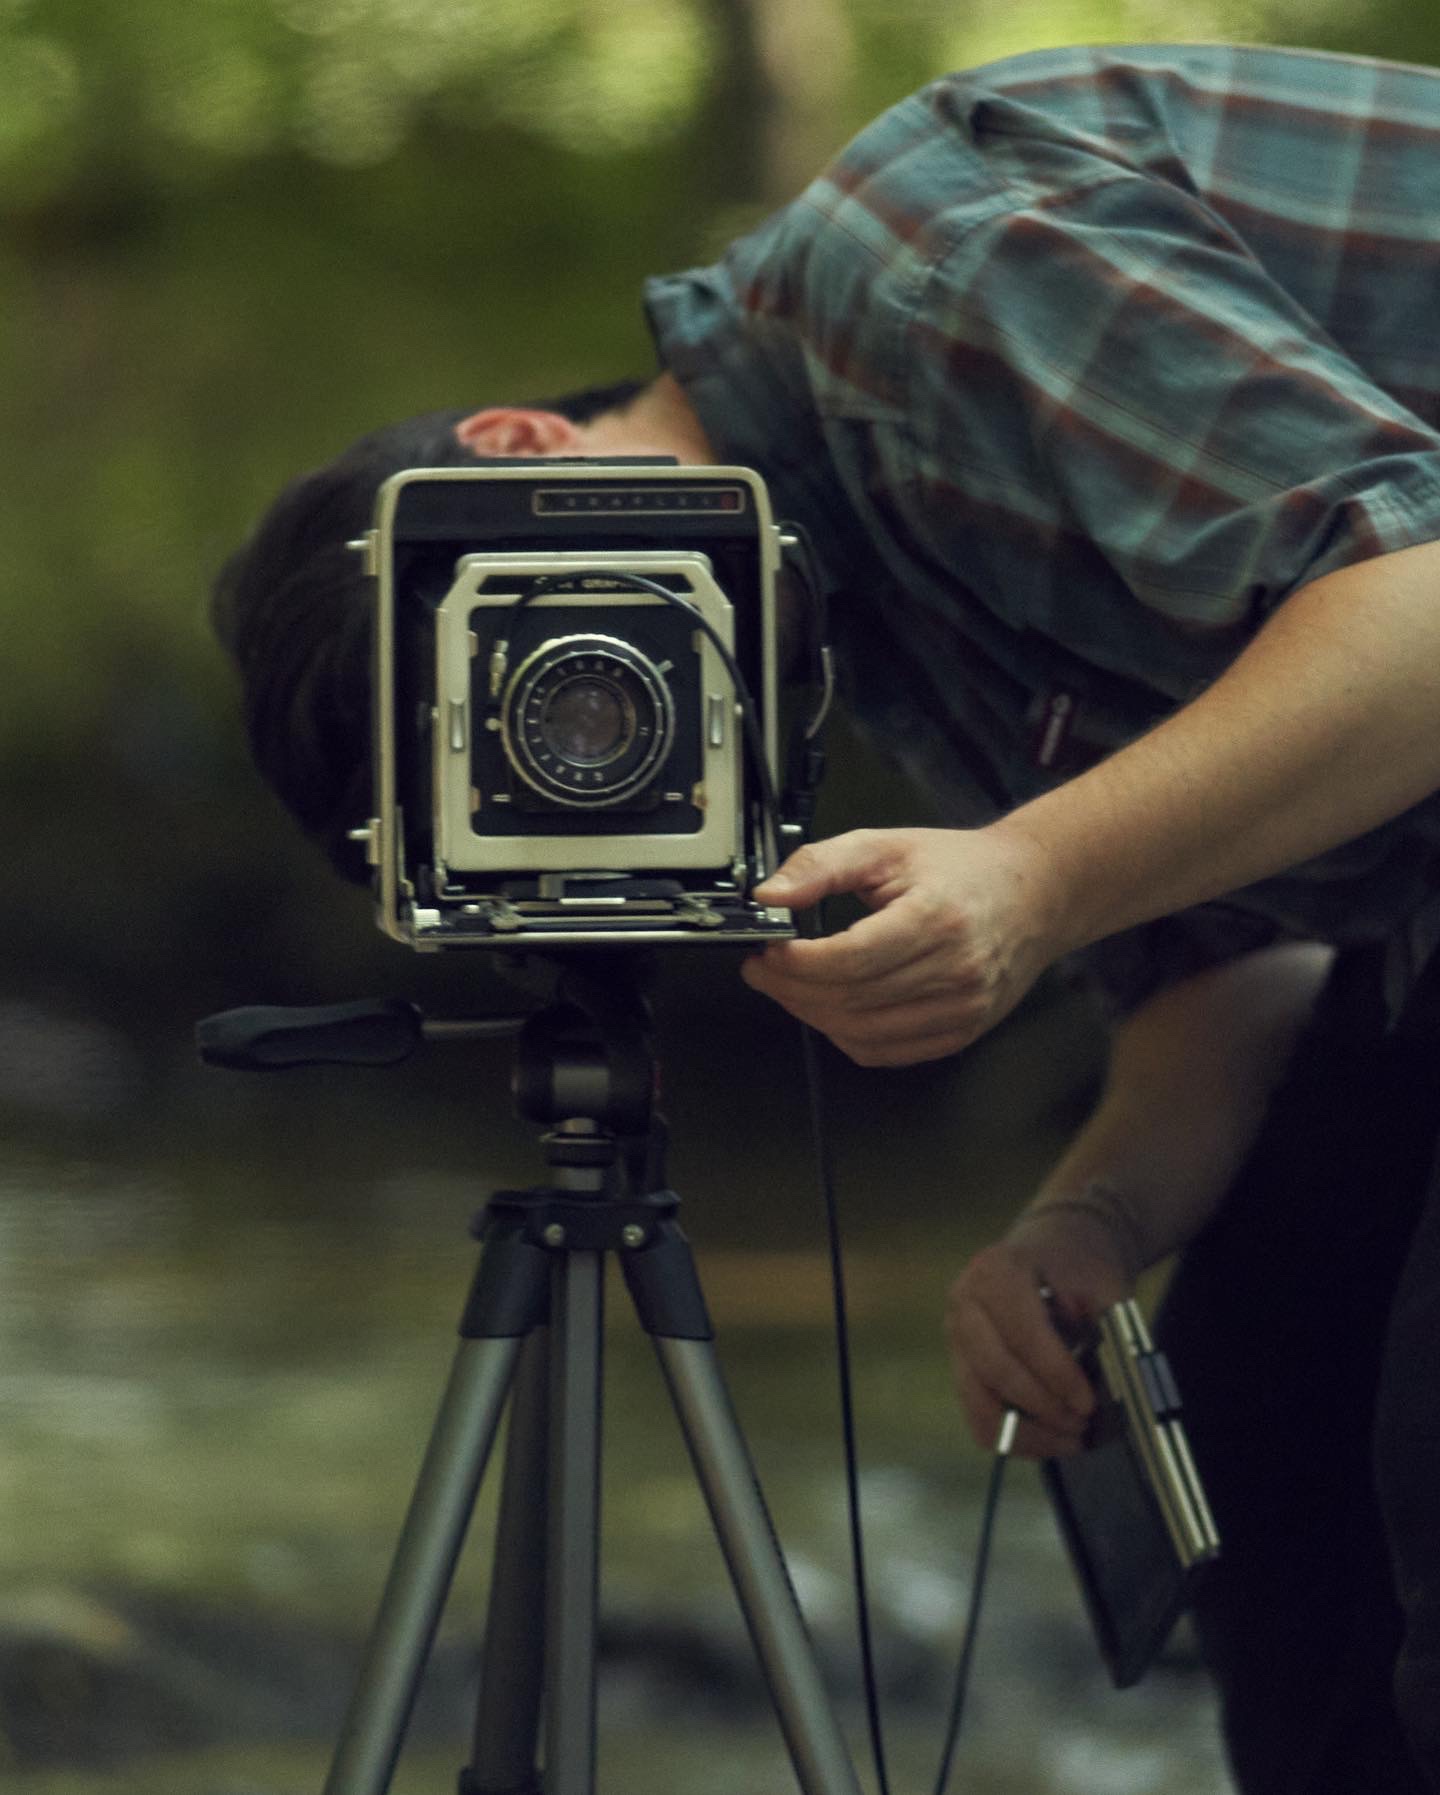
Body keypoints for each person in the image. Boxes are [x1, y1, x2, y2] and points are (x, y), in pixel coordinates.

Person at [211, 42, 1440, 1790]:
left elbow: (1416, 608)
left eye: (521, 681)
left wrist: (1031, 872)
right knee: (1268, 1421)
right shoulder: (833, 619)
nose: (580, 734)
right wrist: (1082, 1223)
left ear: (512, 456)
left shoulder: (918, 267)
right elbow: (1240, 952)